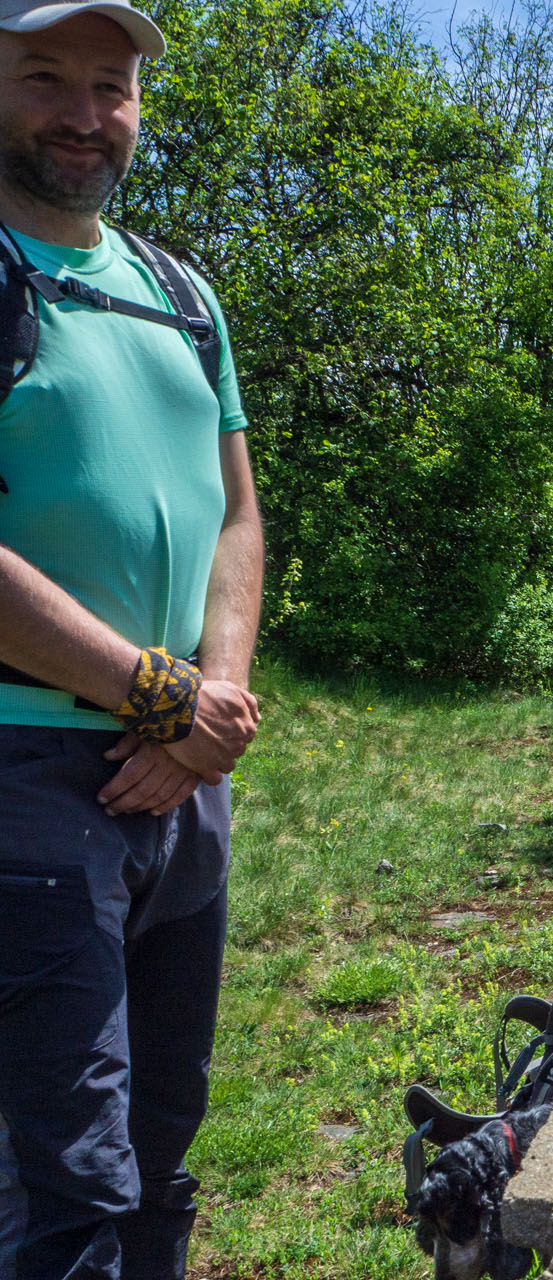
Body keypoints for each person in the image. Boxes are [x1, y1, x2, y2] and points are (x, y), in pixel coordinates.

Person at [0, 1, 262, 1275]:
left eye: (110, 85)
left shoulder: (179, 288)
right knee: (68, 1174)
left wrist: (213, 708)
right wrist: (161, 698)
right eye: (44, 76)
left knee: (161, 1138)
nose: (83, 112)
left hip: (182, 786)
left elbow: (238, 516)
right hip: (28, 777)